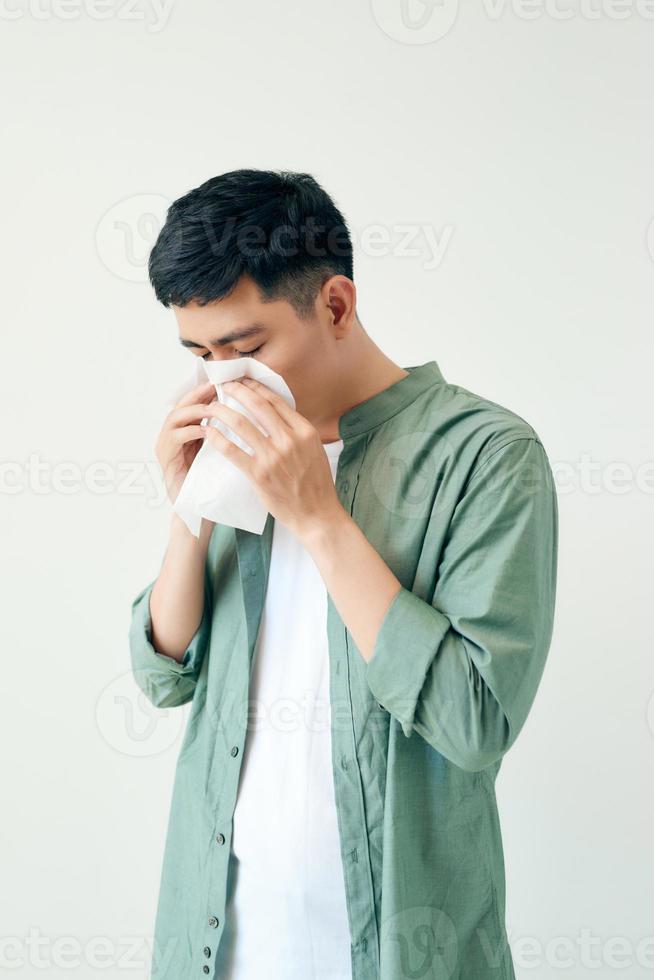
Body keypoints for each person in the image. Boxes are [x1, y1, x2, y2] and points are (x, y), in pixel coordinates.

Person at [128, 168, 558, 980]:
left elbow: (475, 723)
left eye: (248, 350)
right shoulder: (235, 448)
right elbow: (163, 672)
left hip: (403, 953)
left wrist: (319, 517)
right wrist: (188, 512)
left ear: (334, 306)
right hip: (214, 948)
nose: (226, 381)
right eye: (200, 356)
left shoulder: (487, 456)